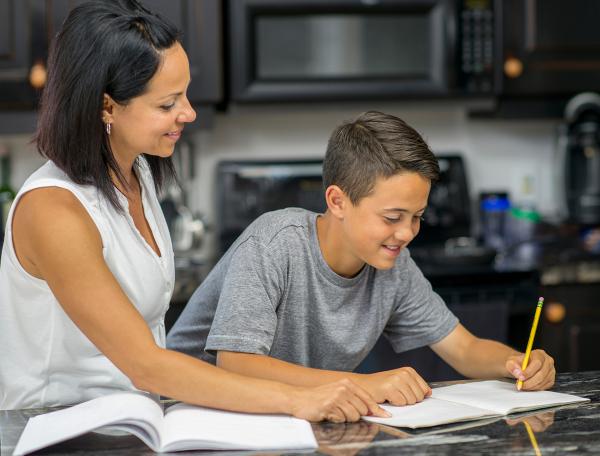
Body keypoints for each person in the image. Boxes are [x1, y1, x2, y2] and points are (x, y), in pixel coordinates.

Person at [0, 0, 389, 423]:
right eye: (167, 104)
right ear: (107, 107)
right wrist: (296, 398)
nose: (188, 112)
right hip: (54, 429)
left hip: (131, 419)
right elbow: (146, 365)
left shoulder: (138, 173)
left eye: (184, 94)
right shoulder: (53, 210)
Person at [167, 111, 556, 405]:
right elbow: (237, 364)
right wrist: (366, 384)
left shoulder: (393, 264)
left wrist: (518, 362)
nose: (406, 233)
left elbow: (465, 350)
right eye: (391, 217)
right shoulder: (274, 243)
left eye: (417, 217)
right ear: (337, 201)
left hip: (288, 414)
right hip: (193, 411)